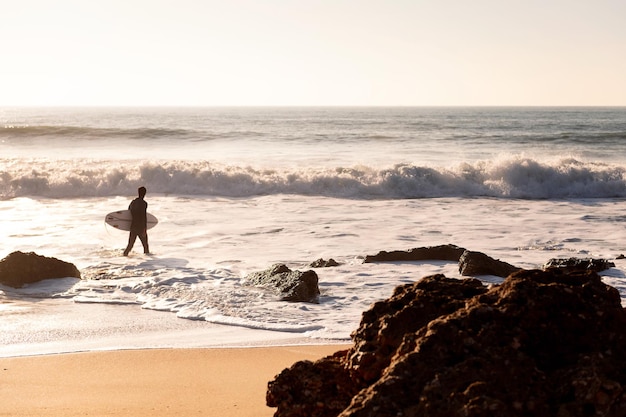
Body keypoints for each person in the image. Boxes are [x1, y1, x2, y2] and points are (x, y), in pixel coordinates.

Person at [123, 186, 150, 256]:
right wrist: (145, 229)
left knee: (130, 245)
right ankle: (148, 263)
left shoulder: (133, 202)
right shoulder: (144, 203)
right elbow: (143, 216)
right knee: (145, 247)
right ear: (144, 194)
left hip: (133, 226)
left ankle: (124, 256)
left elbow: (128, 212)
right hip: (140, 227)